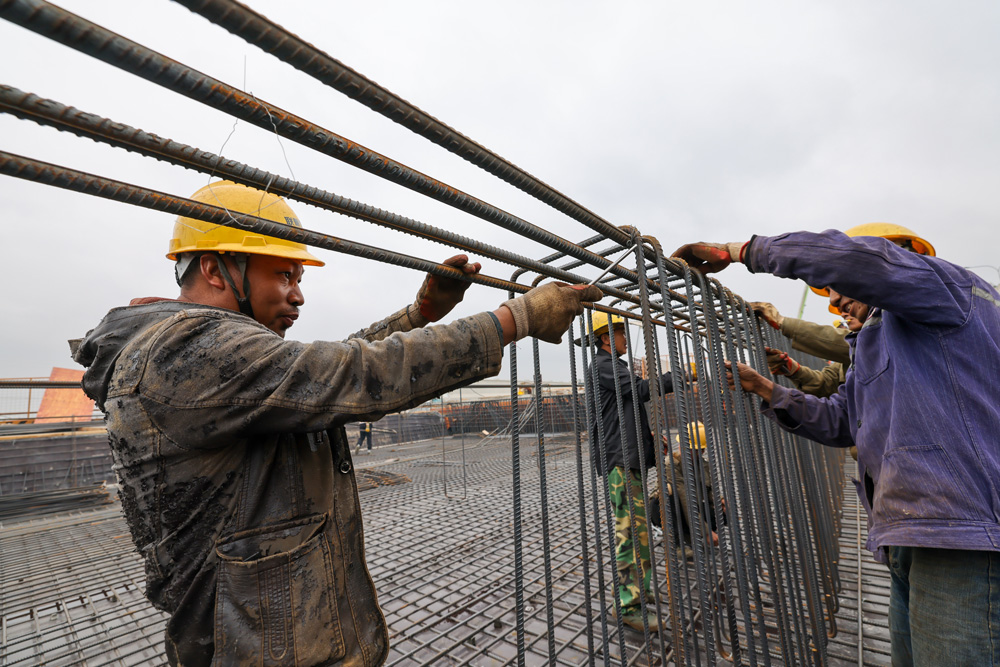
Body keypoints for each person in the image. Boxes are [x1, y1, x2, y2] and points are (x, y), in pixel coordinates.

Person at [70, 180, 603, 666]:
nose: (298, 294)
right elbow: (347, 373)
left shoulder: (207, 356)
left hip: (277, 634)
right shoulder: (183, 350)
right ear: (215, 269)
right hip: (260, 647)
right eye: (283, 274)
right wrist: (516, 319)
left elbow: (316, 376)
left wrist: (417, 316)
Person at [673, 226, 1000, 666]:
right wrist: (766, 389)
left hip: (961, 534)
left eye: (839, 288)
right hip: (908, 532)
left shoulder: (947, 288)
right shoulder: (880, 342)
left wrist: (740, 252)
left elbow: (853, 261)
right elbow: (842, 422)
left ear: (892, 255)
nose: (834, 300)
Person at [587, 312, 673, 632]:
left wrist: (650, 438)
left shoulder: (614, 366)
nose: (625, 338)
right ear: (606, 338)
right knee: (630, 534)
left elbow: (625, 413)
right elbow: (640, 391)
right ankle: (628, 604)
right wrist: (675, 376)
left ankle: (637, 588)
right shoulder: (604, 366)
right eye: (621, 333)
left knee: (637, 533)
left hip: (629, 456)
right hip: (620, 461)